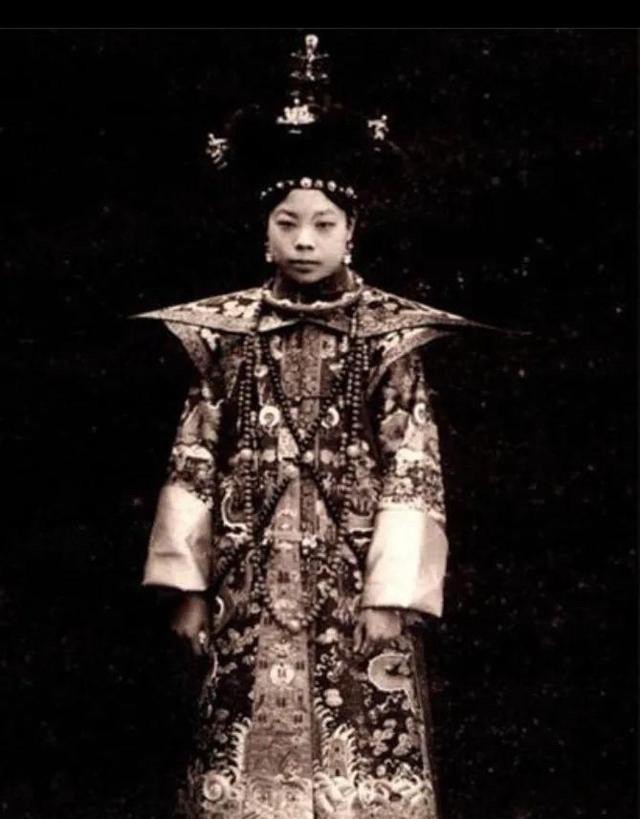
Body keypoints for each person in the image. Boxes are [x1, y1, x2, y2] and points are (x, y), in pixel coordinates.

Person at [133, 34, 491, 819]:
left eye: (324, 224)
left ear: (350, 232)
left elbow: (413, 466)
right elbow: (194, 455)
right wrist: (187, 586)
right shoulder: (226, 335)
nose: (304, 240)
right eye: (288, 223)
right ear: (264, 231)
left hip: (353, 571)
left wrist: (391, 593)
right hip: (249, 572)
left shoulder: (389, 338)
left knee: (361, 732)